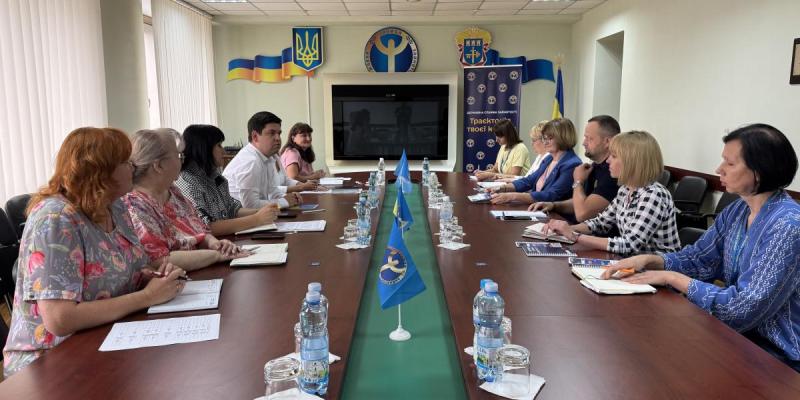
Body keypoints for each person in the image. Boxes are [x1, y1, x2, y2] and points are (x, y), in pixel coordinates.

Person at [602, 124, 800, 371]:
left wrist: (672, 277)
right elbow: (700, 259)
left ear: (758, 172)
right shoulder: (737, 210)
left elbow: (742, 309)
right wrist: (652, 260)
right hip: (739, 340)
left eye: (729, 163)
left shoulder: (788, 225)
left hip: (779, 358)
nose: (719, 169)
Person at [3, 127, 185, 378]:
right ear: (101, 171)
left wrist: (155, 276)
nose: (134, 168)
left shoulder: (116, 206)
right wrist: (147, 297)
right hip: (50, 361)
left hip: (109, 335)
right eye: (126, 162)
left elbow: (133, 267)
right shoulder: (56, 218)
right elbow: (60, 319)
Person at [124, 129, 248, 269]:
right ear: (158, 165)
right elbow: (159, 260)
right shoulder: (134, 205)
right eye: (178, 155)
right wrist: (216, 255)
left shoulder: (173, 191)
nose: (182, 160)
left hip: (202, 269)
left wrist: (214, 244)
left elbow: (200, 231)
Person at [546, 131, 680, 255]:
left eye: (614, 156)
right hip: (632, 264)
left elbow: (629, 244)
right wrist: (566, 229)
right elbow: (600, 223)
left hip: (655, 270)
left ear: (632, 162)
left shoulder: (654, 195)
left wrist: (574, 236)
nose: (608, 160)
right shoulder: (625, 189)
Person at [176, 124, 279, 237]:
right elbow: (206, 227)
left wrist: (262, 212)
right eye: (219, 145)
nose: (224, 151)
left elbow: (232, 209)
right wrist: (256, 219)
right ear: (203, 148)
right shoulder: (188, 182)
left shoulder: (215, 177)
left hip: (225, 240)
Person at [530, 115, 621, 223]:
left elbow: (582, 214)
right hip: (581, 229)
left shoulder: (613, 173)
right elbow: (581, 201)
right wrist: (553, 205)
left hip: (592, 232)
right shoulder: (595, 166)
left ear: (607, 142)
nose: (584, 143)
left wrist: (578, 182)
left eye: (589, 138)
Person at [223, 111, 317, 209]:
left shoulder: (269, 157)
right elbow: (250, 206)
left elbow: (272, 192)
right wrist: (284, 201)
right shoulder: (250, 161)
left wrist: (291, 198)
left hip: (258, 215)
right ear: (255, 136)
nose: (278, 138)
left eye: (279, 133)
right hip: (239, 216)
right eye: (272, 133)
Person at [489, 118, 582, 205]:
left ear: (563, 138)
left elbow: (552, 195)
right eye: (544, 138)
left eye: (550, 138)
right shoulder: (549, 159)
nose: (545, 142)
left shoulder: (571, 164)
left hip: (554, 214)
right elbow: (528, 181)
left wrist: (512, 196)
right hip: (537, 208)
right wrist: (502, 188)